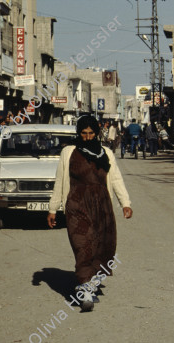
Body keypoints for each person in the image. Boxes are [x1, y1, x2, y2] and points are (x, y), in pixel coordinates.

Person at [47, 115, 132, 312]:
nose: (86, 137)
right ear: (78, 133)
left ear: (97, 133)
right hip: (76, 204)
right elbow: (60, 180)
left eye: (91, 133)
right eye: (83, 134)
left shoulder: (106, 153)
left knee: (100, 245)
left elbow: (116, 179)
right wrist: (53, 208)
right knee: (82, 244)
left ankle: (91, 282)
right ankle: (84, 286)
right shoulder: (68, 152)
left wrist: (125, 203)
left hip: (102, 205)